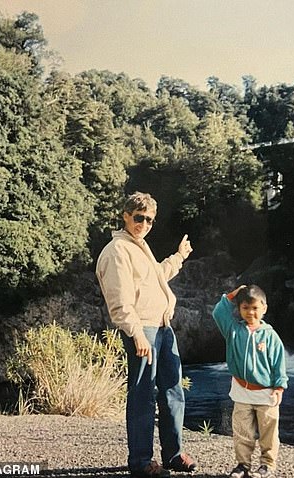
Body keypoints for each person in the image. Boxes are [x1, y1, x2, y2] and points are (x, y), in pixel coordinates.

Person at [96, 191, 198, 478]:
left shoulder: (139, 246)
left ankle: (173, 455)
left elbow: (158, 276)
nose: (144, 224)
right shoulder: (118, 251)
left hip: (163, 327)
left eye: (149, 220)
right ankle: (141, 462)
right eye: (139, 217)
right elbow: (119, 301)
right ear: (126, 215)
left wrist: (179, 256)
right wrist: (137, 334)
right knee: (143, 395)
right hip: (144, 329)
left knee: (172, 390)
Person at [212, 285, 288, 478]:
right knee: (242, 431)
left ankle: (267, 465)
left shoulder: (270, 336)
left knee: (268, 432)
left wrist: (279, 386)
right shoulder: (233, 330)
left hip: (266, 392)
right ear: (239, 309)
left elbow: (279, 363)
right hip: (241, 391)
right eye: (245, 308)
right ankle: (242, 465)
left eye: (255, 308)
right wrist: (235, 293)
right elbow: (219, 311)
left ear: (264, 308)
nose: (250, 312)